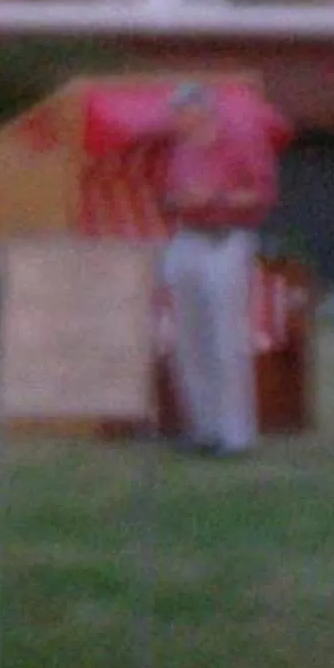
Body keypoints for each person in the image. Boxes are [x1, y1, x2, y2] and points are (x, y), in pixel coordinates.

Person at [129, 82, 291, 454]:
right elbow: (167, 195)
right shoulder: (182, 151)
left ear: (204, 111)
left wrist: (214, 197)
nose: (179, 123)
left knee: (224, 336)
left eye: (184, 115)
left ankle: (235, 434)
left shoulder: (242, 141)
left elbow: (262, 194)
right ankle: (203, 428)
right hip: (187, 237)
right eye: (176, 117)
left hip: (226, 238)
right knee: (187, 338)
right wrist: (178, 200)